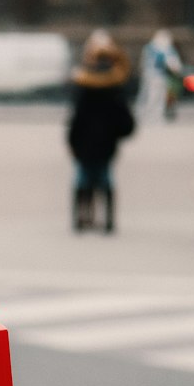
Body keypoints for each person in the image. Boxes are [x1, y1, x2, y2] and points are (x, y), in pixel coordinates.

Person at [67, 29, 135, 234]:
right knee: (105, 179)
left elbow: (76, 117)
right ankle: (108, 221)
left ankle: (82, 217)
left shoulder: (84, 83)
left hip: (85, 142)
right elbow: (124, 119)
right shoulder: (115, 84)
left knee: (83, 179)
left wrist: (72, 140)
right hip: (107, 142)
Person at [137, 29, 183, 123]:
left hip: (150, 75)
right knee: (156, 97)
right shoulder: (165, 49)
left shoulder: (149, 47)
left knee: (147, 95)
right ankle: (153, 117)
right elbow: (175, 65)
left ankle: (144, 115)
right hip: (158, 76)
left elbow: (142, 62)